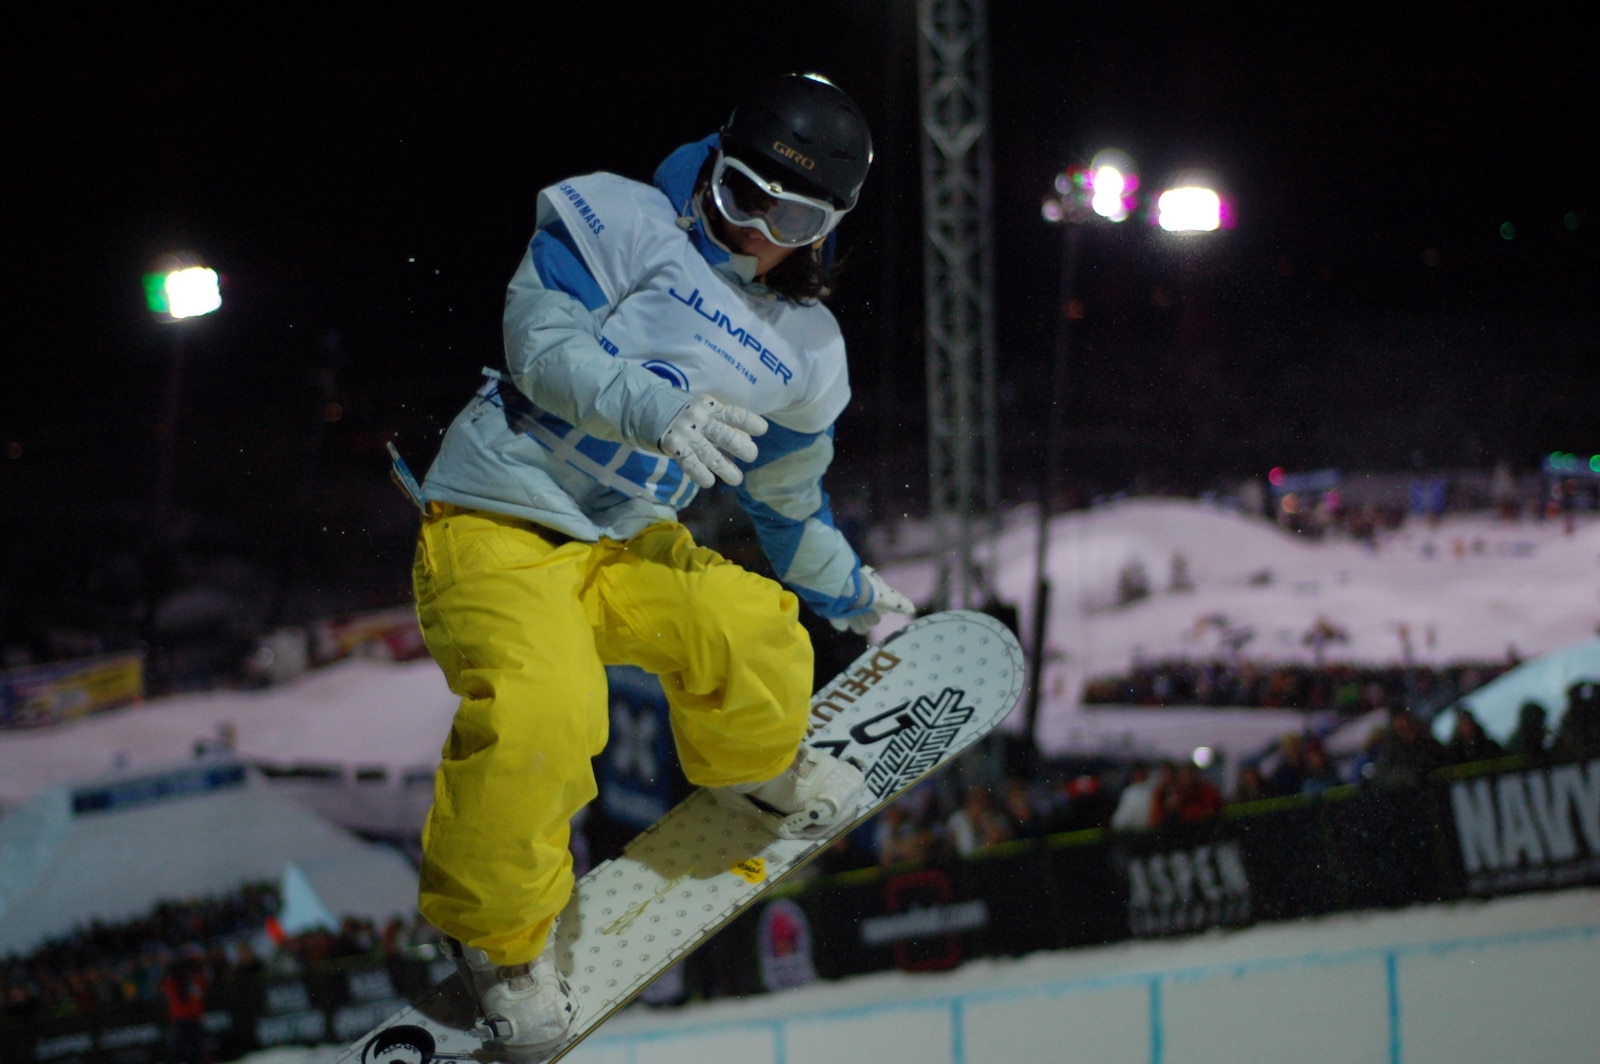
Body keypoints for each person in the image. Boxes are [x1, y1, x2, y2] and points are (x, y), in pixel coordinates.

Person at [400, 73, 913, 1054]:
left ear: (826, 228)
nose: (755, 229)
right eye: (739, 195)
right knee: (547, 710)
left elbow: (785, 497)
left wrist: (841, 582)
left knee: (752, 626)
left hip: (626, 542)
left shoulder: (804, 346)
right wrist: (655, 408)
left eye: (790, 214)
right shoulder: (624, 220)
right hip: (497, 521)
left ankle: (751, 769)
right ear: (709, 168)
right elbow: (539, 342)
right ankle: (500, 941)